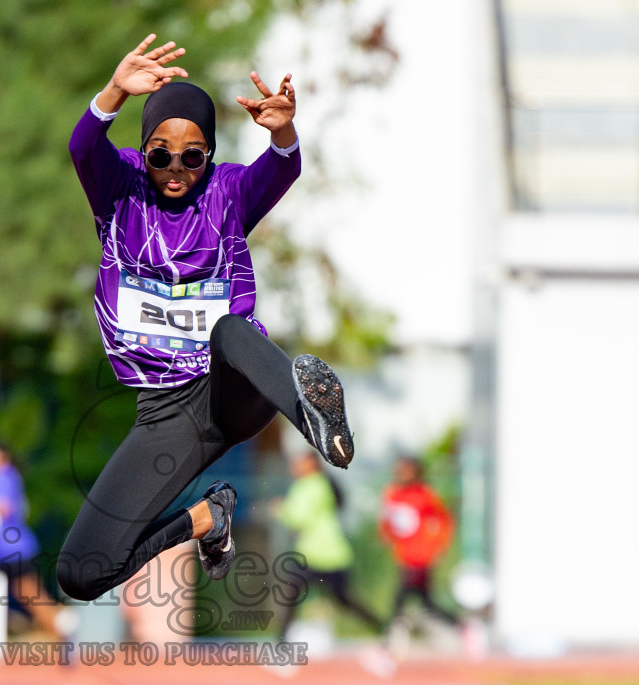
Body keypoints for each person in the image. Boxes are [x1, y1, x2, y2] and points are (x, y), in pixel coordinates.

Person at [56, 34, 356, 607]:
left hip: (231, 387)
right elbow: (81, 147)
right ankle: (205, 519)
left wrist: (284, 132)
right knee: (80, 573)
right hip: (164, 416)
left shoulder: (230, 193)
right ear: (142, 153)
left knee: (229, 330)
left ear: (210, 156)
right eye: (160, 155)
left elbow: (282, 169)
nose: (175, 169)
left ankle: (312, 415)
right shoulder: (118, 189)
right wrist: (115, 91)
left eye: (192, 156)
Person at [0, 440, 73, 647]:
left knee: (31, 598)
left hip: (12, 550)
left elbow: (5, 507)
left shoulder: (5, 476)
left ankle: (63, 636)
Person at [272, 451, 383, 639]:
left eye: (300, 462)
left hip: (325, 554)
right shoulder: (318, 484)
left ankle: (381, 627)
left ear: (312, 465)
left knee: (341, 599)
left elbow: (299, 518)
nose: (296, 466)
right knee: (293, 592)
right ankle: (281, 639)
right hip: (316, 553)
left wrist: (280, 509)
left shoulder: (311, 485)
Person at [379, 455, 459, 630]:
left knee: (402, 597)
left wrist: (440, 545)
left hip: (421, 555)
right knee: (425, 602)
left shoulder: (424, 494)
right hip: (404, 554)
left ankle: (391, 636)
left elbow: (444, 520)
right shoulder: (392, 493)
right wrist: (386, 534)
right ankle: (461, 626)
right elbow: (389, 521)